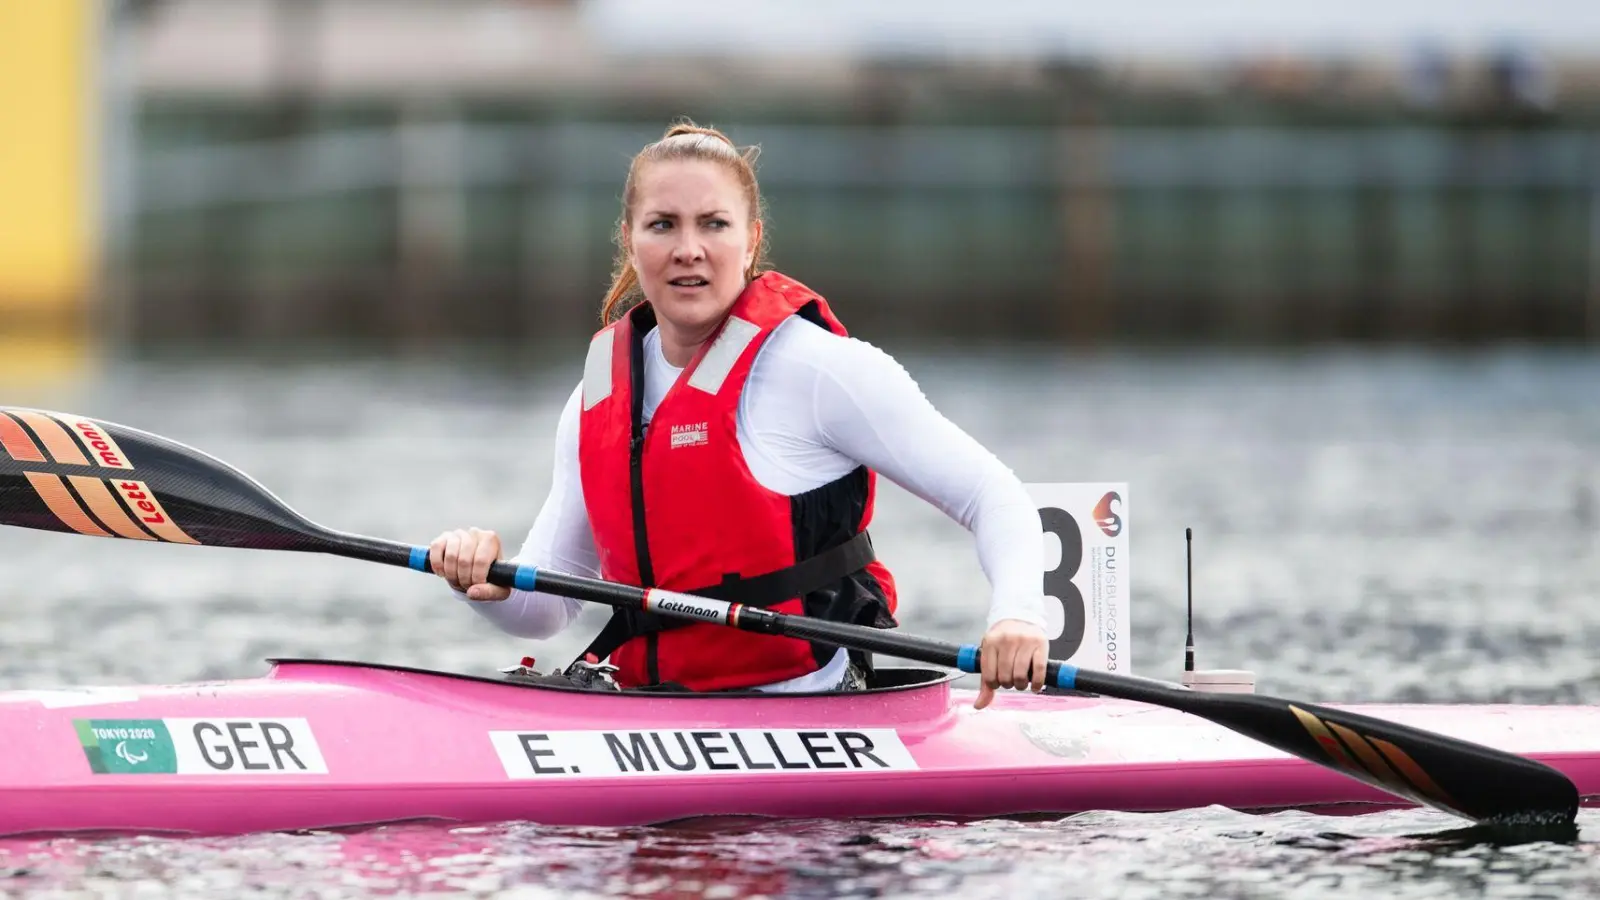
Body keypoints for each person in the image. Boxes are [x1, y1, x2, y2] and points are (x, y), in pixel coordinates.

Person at [430, 120, 1048, 708]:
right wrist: (485, 581)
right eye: (663, 225)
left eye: (714, 224)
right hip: (658, 709)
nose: (688, 250)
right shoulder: (596, 398)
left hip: (812, 703)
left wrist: (1018, 616)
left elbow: (992, 495)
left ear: (751, 239)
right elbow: (543, 611)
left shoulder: (819, 370)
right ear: (629, 237)